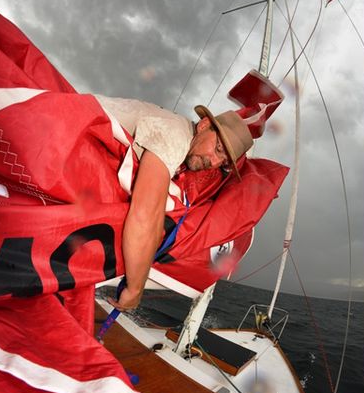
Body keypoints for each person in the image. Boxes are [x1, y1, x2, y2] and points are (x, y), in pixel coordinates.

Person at [94, 95, 254, 313]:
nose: (213, 163)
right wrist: (135, 288)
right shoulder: (176, 136)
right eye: (217, 149)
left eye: (223, 162)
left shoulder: (182, 137)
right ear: (205, 125)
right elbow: (145, 215)